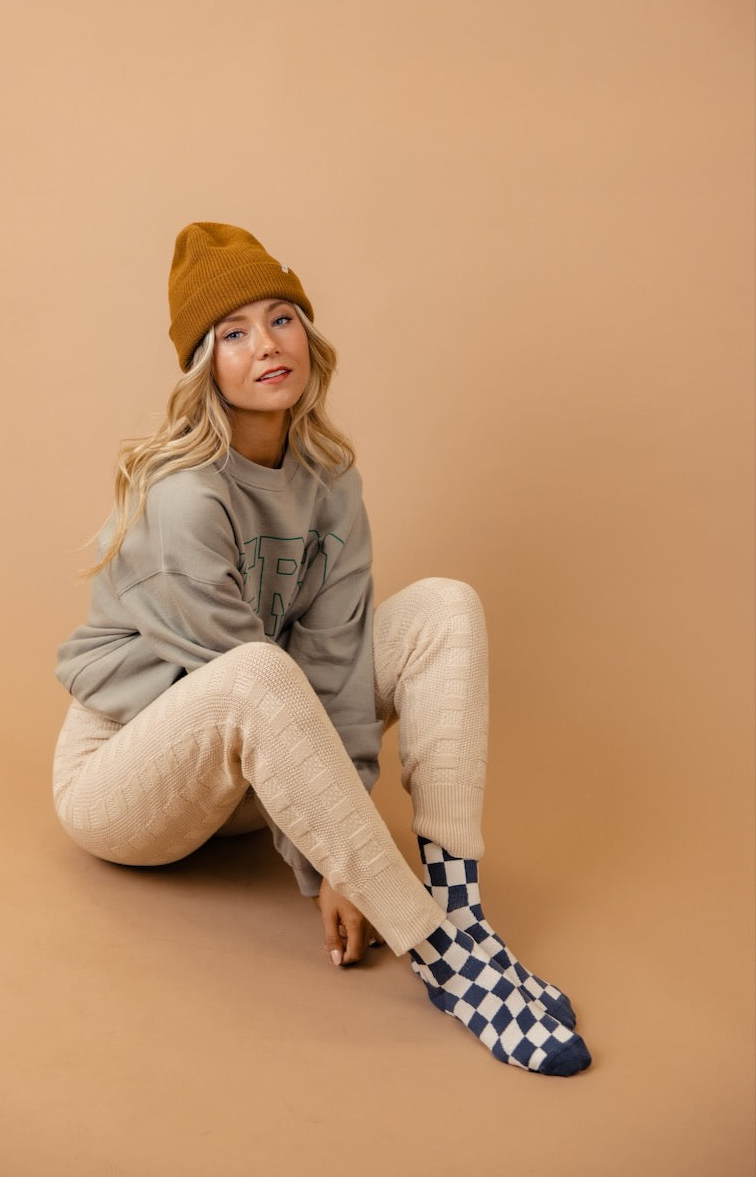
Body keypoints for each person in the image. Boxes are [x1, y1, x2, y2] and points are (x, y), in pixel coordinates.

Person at [53, 221, 591, 1077]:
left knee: (444, 606)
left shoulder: (329, 478)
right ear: (204, 366)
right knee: (256, 669)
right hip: (129, 776)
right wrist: (332, 864)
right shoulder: (183, 498)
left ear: (308, 335)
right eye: (233, 334)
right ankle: (442, 958)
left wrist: (341, 849)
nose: (267, 345)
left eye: (281, 319)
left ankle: (463, 912)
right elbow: (244, 683)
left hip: (259, 763)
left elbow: (333, 665)